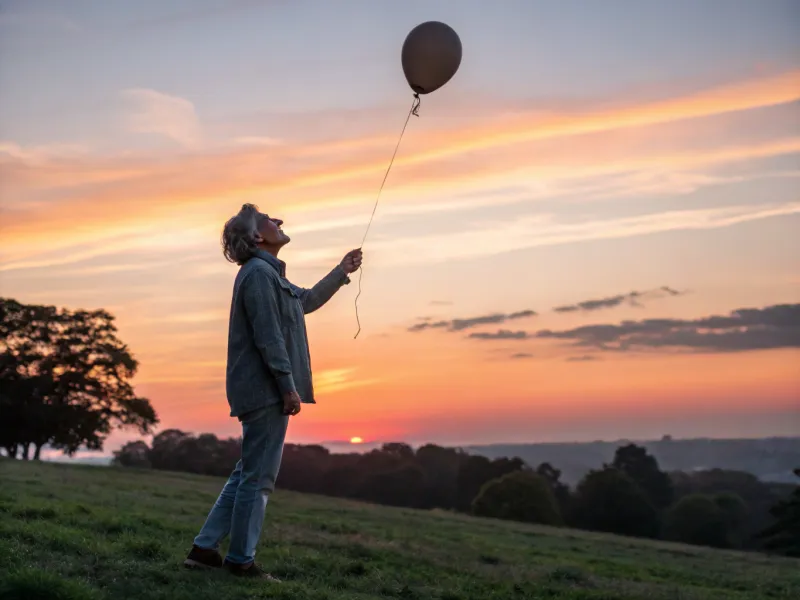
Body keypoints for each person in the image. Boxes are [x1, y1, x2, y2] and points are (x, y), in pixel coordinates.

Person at [183, 203, 362, 579]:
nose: (278, 221)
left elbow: (306, 301)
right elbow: (268, 336)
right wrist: (287, 386)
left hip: (261, 388)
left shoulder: (267, 274)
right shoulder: (258, 276)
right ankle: (240, 562)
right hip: (264, 389)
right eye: (269, 220)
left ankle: (203, 549)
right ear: (256, 237)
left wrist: (341, 272)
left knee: (247, 472)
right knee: (259, 478)